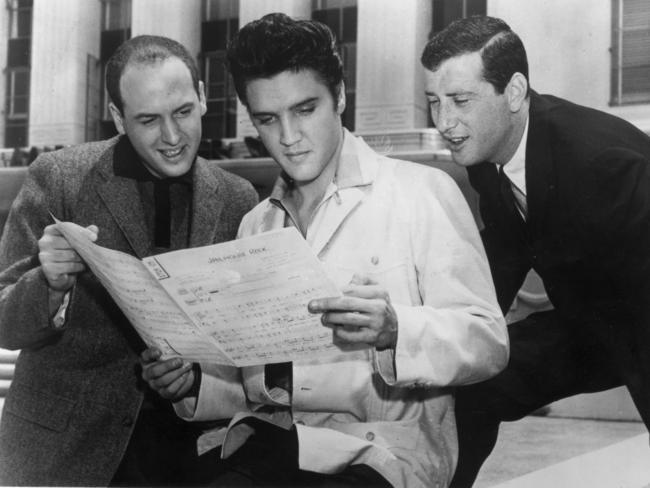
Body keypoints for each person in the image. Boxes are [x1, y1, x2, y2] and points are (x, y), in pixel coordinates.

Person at [141, 13, 508, 488]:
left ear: (339, 96)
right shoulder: (257, 225)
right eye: (268, 120)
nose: (289, 137)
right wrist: (193, 382)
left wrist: (397, 329)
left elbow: (488, 342)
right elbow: (256, 386)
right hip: (279, 444)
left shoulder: (421, 192)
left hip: (382, 453)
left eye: (305, 109)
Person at [0, 35, 258, 486]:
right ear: (118, 117)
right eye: (148, 120)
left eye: (182, 112)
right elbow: (4, 324)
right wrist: (50, 284)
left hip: (184, 456)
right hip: (61, 455)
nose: (173, 137)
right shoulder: (59, 177)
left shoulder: (238, 199)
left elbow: (242, 343)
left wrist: (196, 379)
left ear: (201, 96)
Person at [420, 15, 650, 487]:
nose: (444, 123)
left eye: (461, 101)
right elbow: (504, 257)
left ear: (515, 91)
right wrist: (452, 339)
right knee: (471, 388)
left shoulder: (599, 162)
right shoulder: (490, 154)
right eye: (433, 103)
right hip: (590, 321)